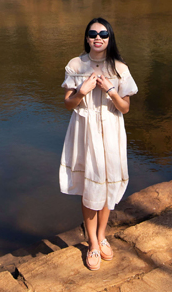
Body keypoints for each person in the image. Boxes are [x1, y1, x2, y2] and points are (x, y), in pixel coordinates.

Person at [59, 16, 138, 271]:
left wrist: (110, 90)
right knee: (89, 185)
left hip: (112, 129)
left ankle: (102, 234)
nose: (98, 38)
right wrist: (81, 92)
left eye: (103, 34)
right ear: (86, 37)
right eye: (93, 34)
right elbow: (68, 104)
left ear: (110, 37)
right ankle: (92, 243)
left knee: (106, 185)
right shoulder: (75, 65)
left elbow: (125, 108)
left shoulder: (119, 69)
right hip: (85, 129)